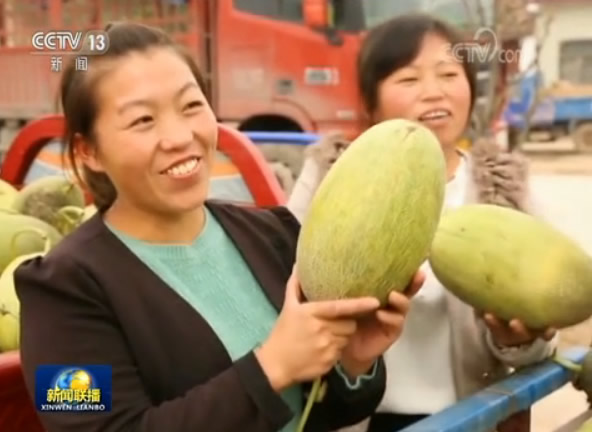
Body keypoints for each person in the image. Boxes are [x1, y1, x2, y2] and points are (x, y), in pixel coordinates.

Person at [13, 22, 426, 432]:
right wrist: (271, 368)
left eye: (191, 106)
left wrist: (353, 363)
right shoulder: (59, 291)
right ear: (89, 152)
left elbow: (317, 414)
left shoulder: (274, 236)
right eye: (143, 120)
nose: (179, 136)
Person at [287, 13, 559, 432]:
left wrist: (518, 342)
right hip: (355, 419)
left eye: (449, 74)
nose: (434, 93)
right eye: (409, 79)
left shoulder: (502, 187)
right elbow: (282, 296)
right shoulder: (331, 174)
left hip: (470, 419)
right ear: (371, 100)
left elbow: (542, 334)